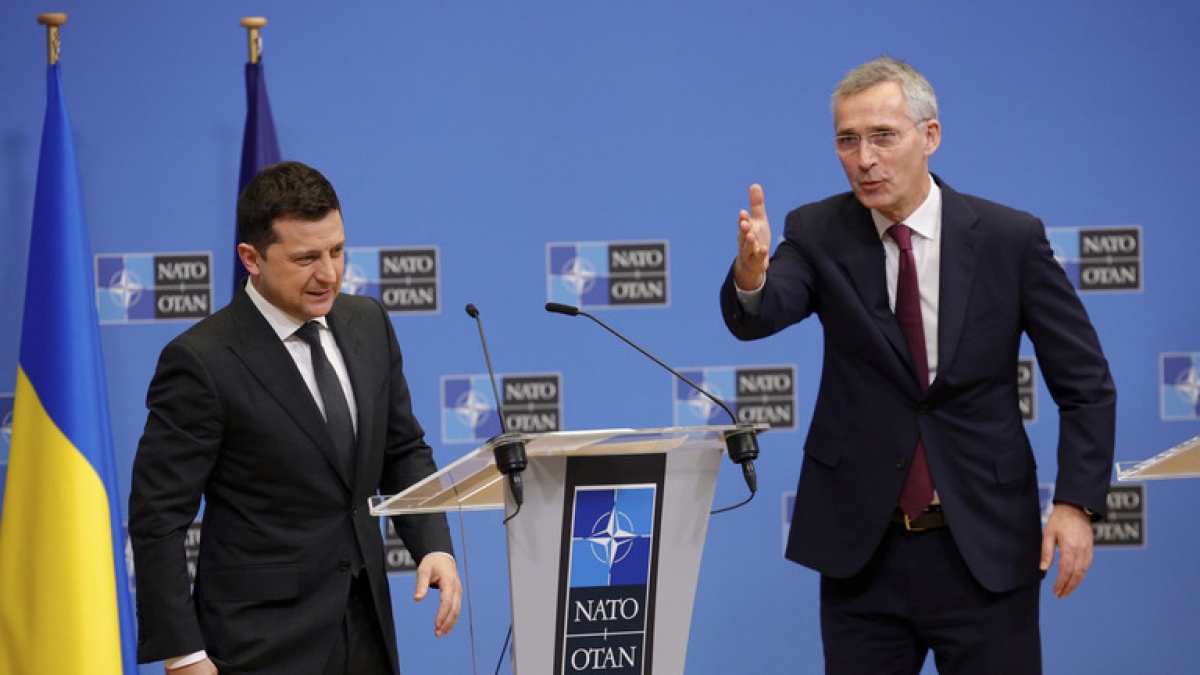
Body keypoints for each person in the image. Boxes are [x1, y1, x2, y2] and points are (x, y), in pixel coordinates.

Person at [720, 56, 1116, 674]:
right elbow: (762, 311)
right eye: (848, 140)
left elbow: (1085, 383)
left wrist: (1076, 504)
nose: (864, 158)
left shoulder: (1009, 239)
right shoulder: (818, 231)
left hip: (985, 544)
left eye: (883, 136)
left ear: (930, 136)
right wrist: (751, 273)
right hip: (863, 552)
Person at [129, 161, 461, 675]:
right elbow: (158, 518)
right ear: (251, 258)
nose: (328, 274)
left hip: (366, 629)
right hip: (258, 644)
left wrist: (434, 546)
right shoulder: (201, 361)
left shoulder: (368, 322)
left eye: (337, 251)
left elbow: (402, 451)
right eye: (306, 258)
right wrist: (184, 653)